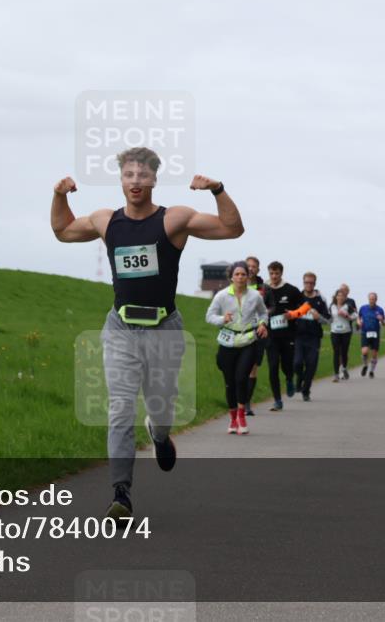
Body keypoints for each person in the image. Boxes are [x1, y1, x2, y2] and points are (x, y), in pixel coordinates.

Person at [51, 146, 244, 521]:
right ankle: (120, 494)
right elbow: (62, 230)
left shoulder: (174, 219)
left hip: (164, 329)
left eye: (142, 175)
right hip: (120, 327)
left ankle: (158, 434)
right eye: (128, 175)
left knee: (160, 405)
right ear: (121, 180)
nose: (135, 182)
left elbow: (232, 228)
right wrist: (59, 195)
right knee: (120, 408)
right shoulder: (106, 221)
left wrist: (218, 189)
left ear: (154, 178)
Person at [206, 262, 268, 434]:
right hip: (227, 342)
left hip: (248, 340)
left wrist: (263, 324)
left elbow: (263, 313)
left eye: (243, 274)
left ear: (248, 276)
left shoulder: (255, 296)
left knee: (241, 378)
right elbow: (209, 316)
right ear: (231, 277)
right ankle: (233, 418)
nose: (240, 277)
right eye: (237, 274)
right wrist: (222, 319)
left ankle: (241, 415)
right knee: (229, 383)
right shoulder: (222, 295)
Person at [262, 261, 306, 411]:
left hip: (288, 335)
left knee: (287, 365)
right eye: (271, 273)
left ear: (281, 273)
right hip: (270, 335)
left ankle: (289, 379)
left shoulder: (291, 290)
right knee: (273, 366)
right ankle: (277, 400)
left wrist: (293, 314)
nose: (274, 276)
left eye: (277, 273)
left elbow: (306, 307)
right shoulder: (264, 290)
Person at [292, 272, 331, 401]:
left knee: (311, 364)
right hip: (298, 335)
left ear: (315, 284)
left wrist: (318, 317)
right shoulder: (298, 297)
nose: (308, 285)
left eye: (311, 283)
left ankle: (306, 390)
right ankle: (300, 378)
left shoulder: (320, 300)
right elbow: (290, 314)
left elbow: (328, 320)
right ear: (303, 283)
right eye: (306, 282)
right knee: (297, 363)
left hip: (314, 337)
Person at [244, 256, 266, 416]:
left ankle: (247, 403)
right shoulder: (236, 284)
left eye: (254, 267)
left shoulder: (263, 287)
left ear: (258, 270)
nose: (251, 269)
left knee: (253, 368)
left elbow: (270, 305)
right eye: (248, 266)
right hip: (238, 330)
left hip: (257, 330)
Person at [357, 292, 385, 378]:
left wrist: (381, 320)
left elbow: (384, 323)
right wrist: (359, 322)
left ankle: (372, 371)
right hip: (365, 332)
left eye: (373, 299)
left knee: (374, 354)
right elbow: (359, 317)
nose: (371, 301)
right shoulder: (363, 308)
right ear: (368, 299)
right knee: (364, 351)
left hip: (375, 334)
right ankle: (365, 365)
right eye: (370, 299)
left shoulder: (380, 310)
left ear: (376, 300)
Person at [329, 287, 355, 382]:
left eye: (342, 296)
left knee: (344, 352)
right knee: (336, 353)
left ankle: (344, 368)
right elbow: (328, 317)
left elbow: (355, 316)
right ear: (336, 297)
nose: (340, 297)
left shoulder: (348, 306)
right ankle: (336, 375)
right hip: (335, 332)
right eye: (338, 295)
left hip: (345, 332)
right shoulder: (332, 306)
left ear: (345, 298)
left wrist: (347, 315)